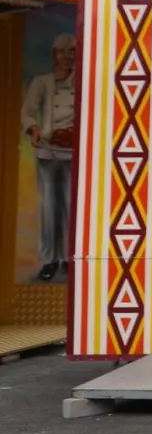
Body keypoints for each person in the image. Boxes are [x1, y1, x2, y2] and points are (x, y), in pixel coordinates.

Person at [21, 33, 76, 282]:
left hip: (72, 153)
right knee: (47, 208)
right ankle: (49, 260)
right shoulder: (41, 82)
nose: (67, 56)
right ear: (54, 55)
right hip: (46, 150)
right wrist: (33, 130)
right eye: (62, 51)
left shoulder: (82, 84)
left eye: (72, 51)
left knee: (68, 206)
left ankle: (67, 257)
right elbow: (29, 112)